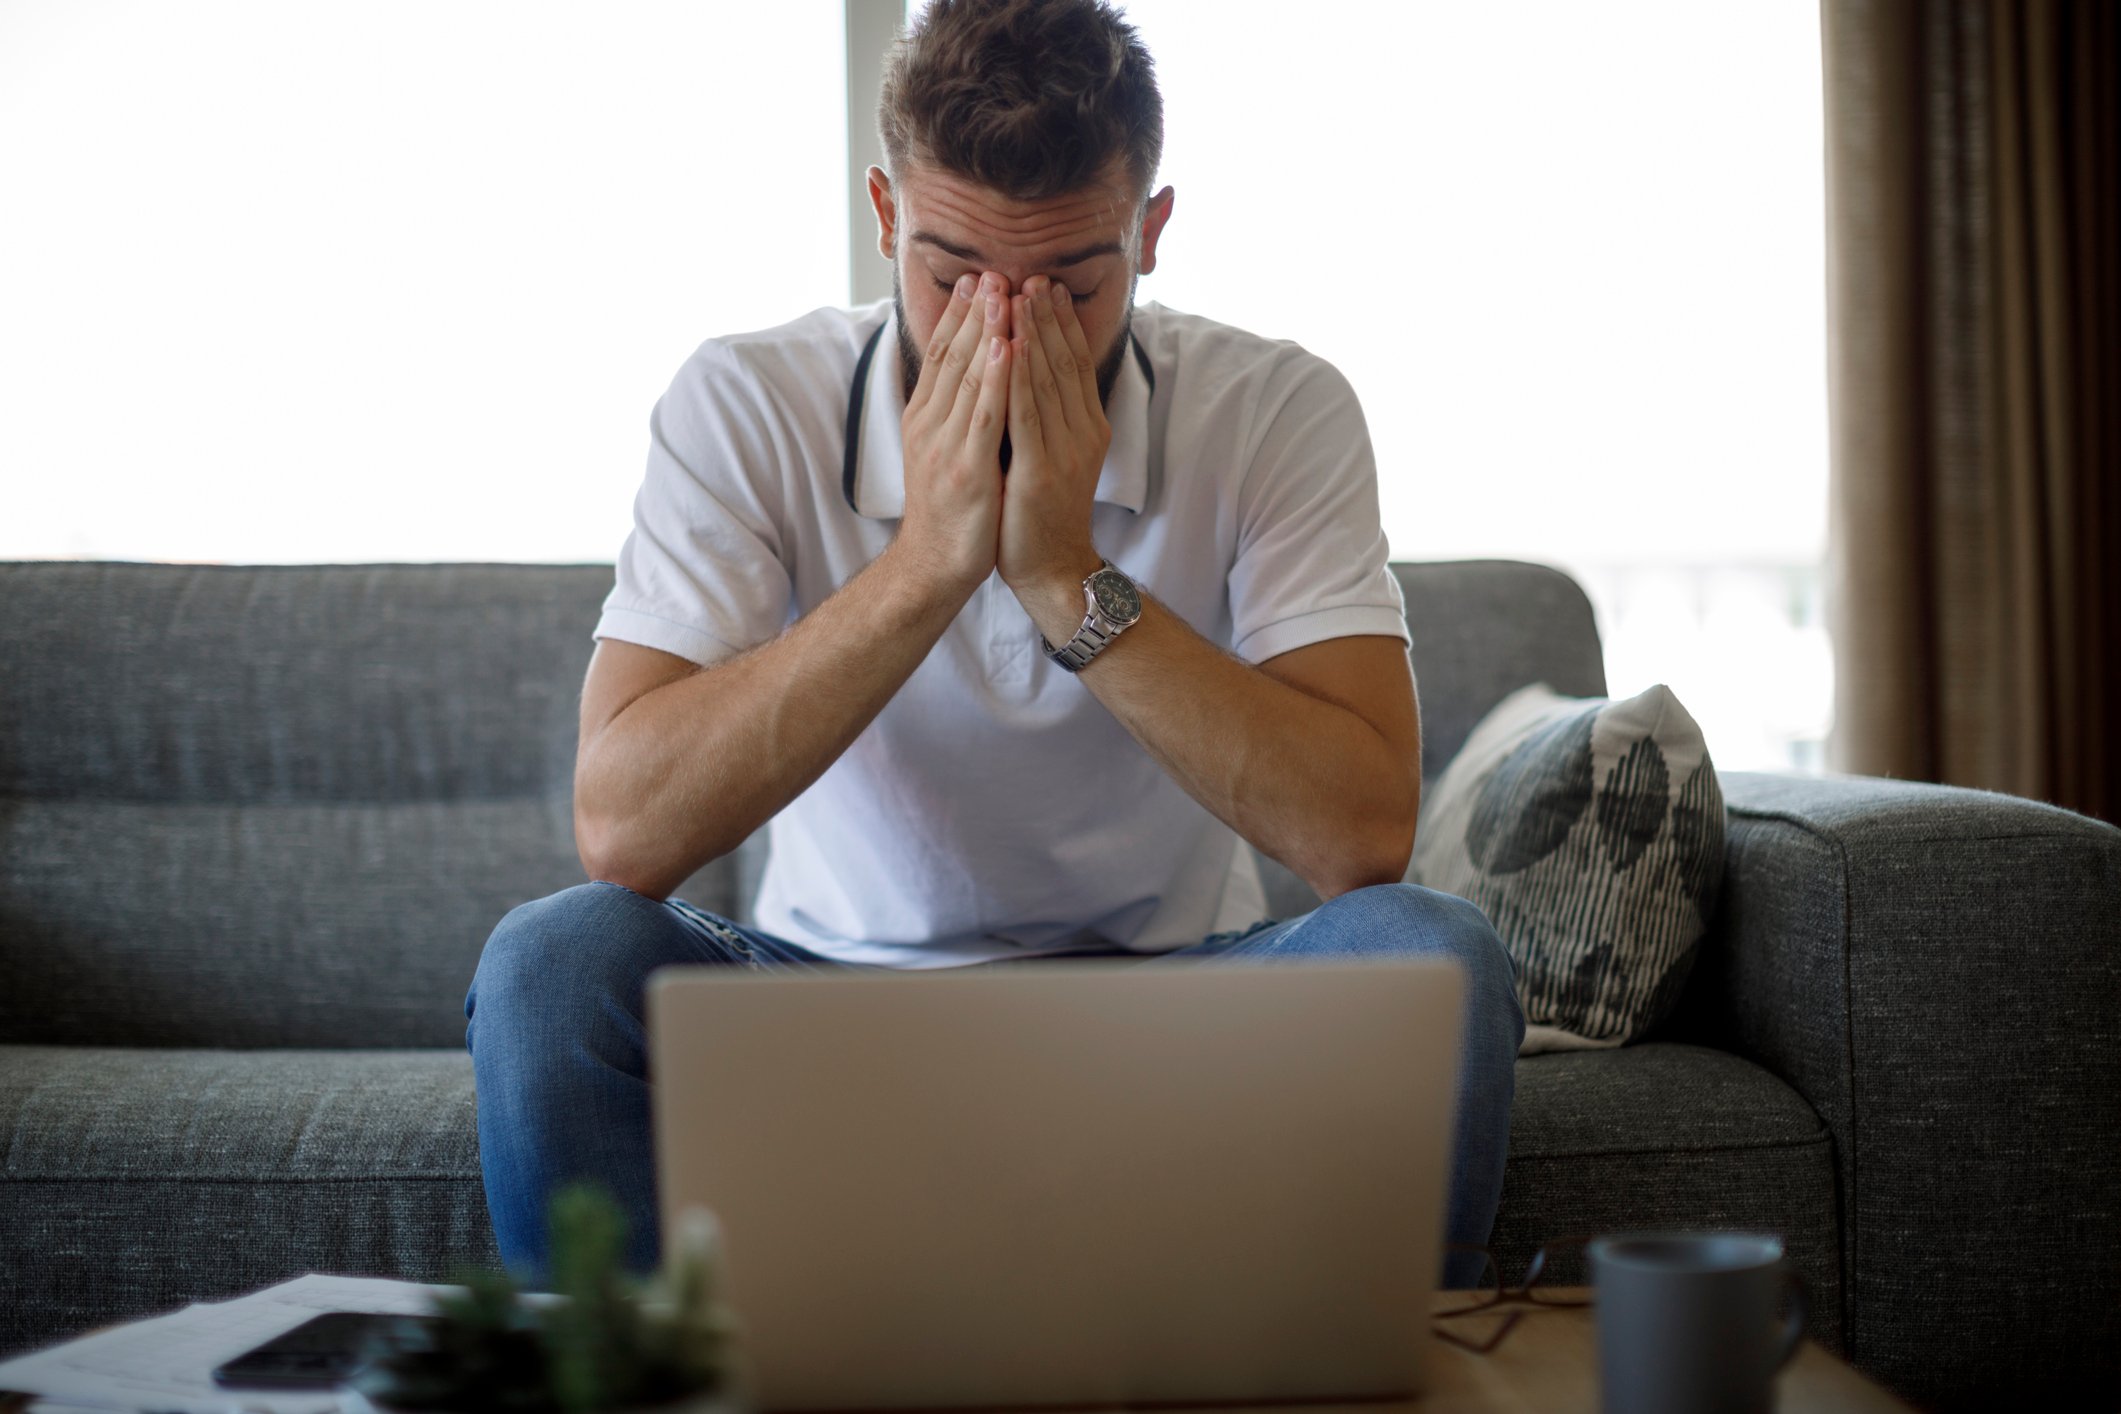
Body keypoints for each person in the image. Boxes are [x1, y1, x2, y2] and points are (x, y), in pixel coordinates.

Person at [465, 0, 1523, 1289]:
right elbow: (625, 831)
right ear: (882, 214)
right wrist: (928, 562)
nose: (1009, 329)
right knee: (553, 958)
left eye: (1074, 282)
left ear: (1152, 232)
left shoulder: (1277, 407)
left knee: (1436, 955)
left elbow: (1360, 838)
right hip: (819, 1001)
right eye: (952, 273)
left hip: (1173, 995)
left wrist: (1060, 570)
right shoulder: (743, 401)